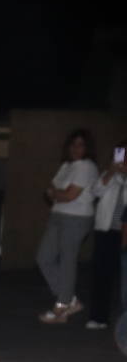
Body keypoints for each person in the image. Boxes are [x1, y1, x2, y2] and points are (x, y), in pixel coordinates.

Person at [37, 129, 99, 324]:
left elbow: (70, 195)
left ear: (87, 147)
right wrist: (57, 193)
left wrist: (56, 193)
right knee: (44, 257)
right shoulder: (66, 166)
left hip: (77, 218)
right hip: (58, 215)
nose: (75, 148)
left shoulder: (87, 167)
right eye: (73, 144)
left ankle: (62, 305)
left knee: (67, 260)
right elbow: (50, 191)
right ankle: (70, 299)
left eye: (80, 144)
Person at [87, 141, 127, 329]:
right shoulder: (110, 176)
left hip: (124, 233)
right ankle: (98, 317)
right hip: (106, 232)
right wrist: (112, 171)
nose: (123, 160)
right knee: (102, 275)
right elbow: (95, 191)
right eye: (120, 155)